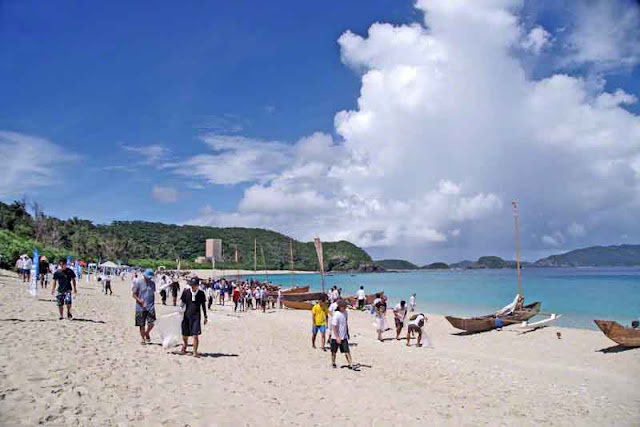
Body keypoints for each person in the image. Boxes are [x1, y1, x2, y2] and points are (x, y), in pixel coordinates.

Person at [180, 277, 208, 357]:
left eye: (194, 285)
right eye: (191, 285)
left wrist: (205, 317)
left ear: (197, 285)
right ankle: (185, 345)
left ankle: (195, 352)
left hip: (196, 317)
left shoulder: (201, 294)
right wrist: (180, 309)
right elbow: (182, 303)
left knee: (195, 335)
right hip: (186, 315)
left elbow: (203, 306)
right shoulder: (186, 292)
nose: (193, 286)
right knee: (184, 334)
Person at [132, 268, 156, 345]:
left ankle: (147, 333)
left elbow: (153, 294)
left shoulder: (153, 283)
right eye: (147, 277)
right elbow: (133, 294)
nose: (148, 278)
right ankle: (143, 339)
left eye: (150, 277)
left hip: (150, 306)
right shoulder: (138, 282)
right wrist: (140, 301)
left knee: (152, 323)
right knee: (141, 324)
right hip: (140, 307)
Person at [330, 300, 354, 369]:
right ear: (340, 307)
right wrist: (337, 337)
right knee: (334, 352)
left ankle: (350, 364)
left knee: (347, 351)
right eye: (345, 306)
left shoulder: (346, 312)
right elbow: (334, 326)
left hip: (344, 336)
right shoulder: (336, 314)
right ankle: (333, 363)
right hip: (335, 337)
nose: (346, 307)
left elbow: (345, 323)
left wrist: (347, 332)